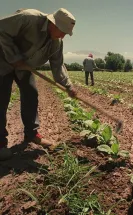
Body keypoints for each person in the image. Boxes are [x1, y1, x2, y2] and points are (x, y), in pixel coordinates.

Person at [0, 8, 77, 160]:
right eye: (62, 31)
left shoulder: (56, 42)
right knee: (1, 100)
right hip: (2, 62)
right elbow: (1, 30)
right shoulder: (28, 18)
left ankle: (32, 134)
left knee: (31, 94)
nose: (63, 36)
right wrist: (14, 56)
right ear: (52, 24)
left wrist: (68, 86)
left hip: (24, 67)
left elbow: (57, 65)